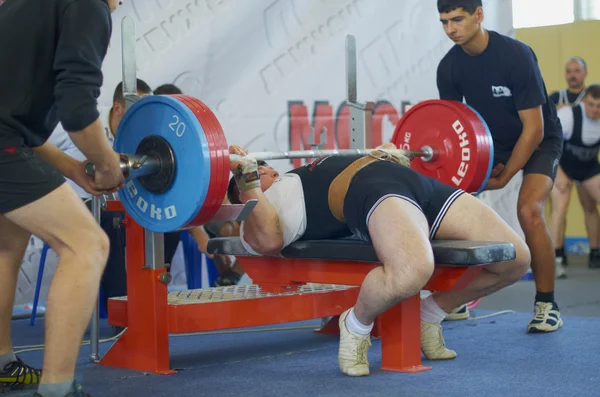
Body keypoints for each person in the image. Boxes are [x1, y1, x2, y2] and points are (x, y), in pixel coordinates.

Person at [226, 144, 530, 376]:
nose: (266, 169)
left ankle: (431, 312)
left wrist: (381, 154)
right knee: (414, 268)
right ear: (240, 190)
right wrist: (249, 185)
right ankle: (356, 324)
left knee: (516, 258)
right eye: (257, 169)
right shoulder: (260, 208)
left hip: (413, 182)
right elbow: (268, 241)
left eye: (263, 166)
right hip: (371, 191)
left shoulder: (290, 177)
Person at [0, 1, 124, 396]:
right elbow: (77, 109)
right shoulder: (89, 5)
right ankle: (58, 389)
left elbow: (14, 123)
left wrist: (74, 170)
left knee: (7, 243)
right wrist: (106, 164)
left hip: (8, 141)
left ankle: (1, 363)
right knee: (86, 244)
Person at [436, 0, 564, 333]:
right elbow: (455, 128)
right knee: (455, 209)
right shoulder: (448, 67)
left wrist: (506, 175)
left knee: (529, 211)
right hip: (493, 143)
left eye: (458, 20)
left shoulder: (516, 56)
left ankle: (547, 304)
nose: (451, 29)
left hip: (540, 139)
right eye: (445, 22)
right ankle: (459, 298)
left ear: (479, 15)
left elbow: (533, 129)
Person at [48, 79, 153, 313]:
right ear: (118, 108)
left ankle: (149, 304)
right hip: (75, 206)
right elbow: (38, 150)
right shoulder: (81, 125)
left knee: (163, 226)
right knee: (109, 224)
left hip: (120, 206)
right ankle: (123, 313)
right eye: (136, 112)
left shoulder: (143, 137)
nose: (142, 121)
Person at [548, 57, 597, 272]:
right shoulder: (565, 110)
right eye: (569, 71)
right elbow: (548, 139)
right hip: (562, 162)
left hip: (588, 166)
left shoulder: (593, 99)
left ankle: (595, 252)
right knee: (560, 203)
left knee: (590, 206)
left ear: (585, 73)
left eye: (577, 70)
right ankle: (554, 257)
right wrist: (556, 171)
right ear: (584, 103)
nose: (595, 111)